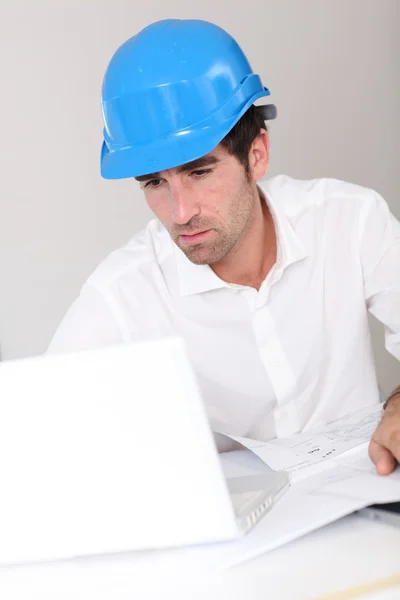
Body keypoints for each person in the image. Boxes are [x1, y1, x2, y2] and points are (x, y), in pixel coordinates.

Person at [48, 19, 400, 473]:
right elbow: (40, 432)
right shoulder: (124, 293)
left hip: (371, 501)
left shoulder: (348, 219)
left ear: (256, 155)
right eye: (155, 182)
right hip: (242, 534)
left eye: (199, 172)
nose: (179, 213)